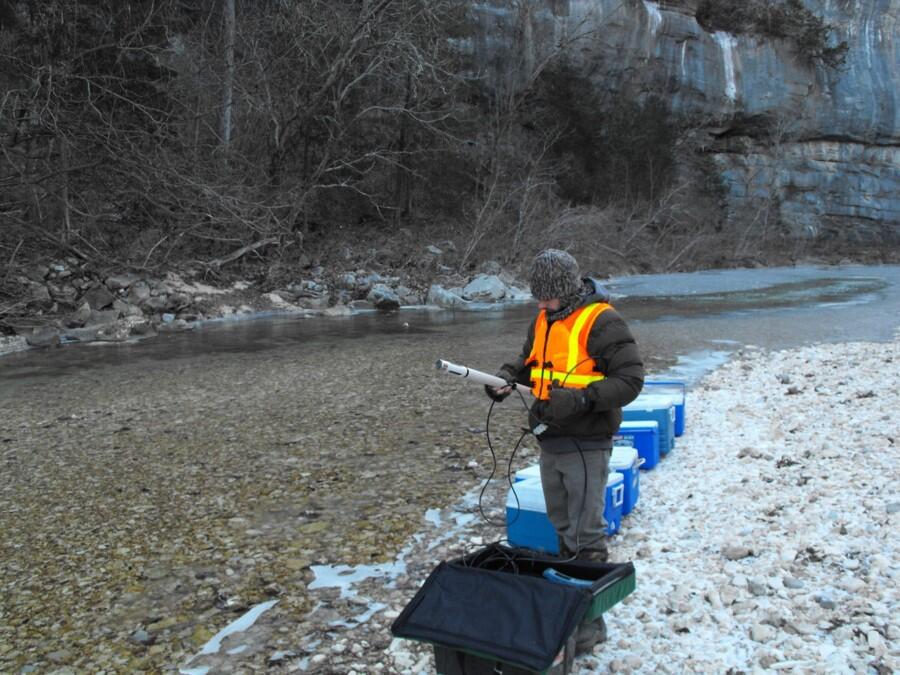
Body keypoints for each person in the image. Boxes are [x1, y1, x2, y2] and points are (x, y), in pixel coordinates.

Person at [486, 248, 644, 651]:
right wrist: (505, 377)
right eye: (537, 296)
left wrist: (582, 399)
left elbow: (630, 380)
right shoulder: (544, 319)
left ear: (566, 289)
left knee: (585, 531)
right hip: (549, 437)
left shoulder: (603, 321)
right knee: (561, 524)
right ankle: (569, 609)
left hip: (587, 442)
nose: (540, 303)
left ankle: (590, 629)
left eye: (547, 296)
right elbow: (528, 361)